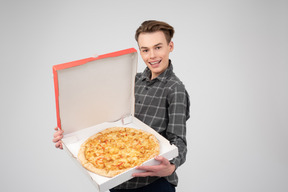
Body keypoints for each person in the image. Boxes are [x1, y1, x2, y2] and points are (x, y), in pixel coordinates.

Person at [53, 20, 190, 192]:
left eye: (158, 47)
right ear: (140, 51)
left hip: (152, 184)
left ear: (170, 46)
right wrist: (70, 134)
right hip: (118, 182)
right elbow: (108, 115)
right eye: (145, 50)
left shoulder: (175, 89)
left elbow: (180, 142)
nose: (152, 55)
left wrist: (171, 167)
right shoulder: (135, 80)